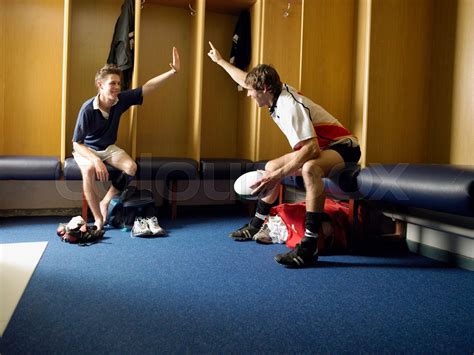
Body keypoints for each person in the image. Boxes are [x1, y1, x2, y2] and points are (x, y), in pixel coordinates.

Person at [207, 42, 360, 268]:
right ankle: (256, 224)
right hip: (321, 146)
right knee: (270, 166)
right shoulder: (272, 94)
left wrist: (278, 176)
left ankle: (309, 245)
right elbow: (245, 79)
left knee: (310, 169)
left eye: (252, 91)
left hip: (343, 146)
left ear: (265, 89)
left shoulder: (289, 106)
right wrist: (220, 61)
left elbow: (311, 151)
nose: (248, 94)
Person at [72, 47, 180, 230]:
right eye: (112, 83)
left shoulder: (120, 100)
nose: (116, 87)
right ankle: (98, 219)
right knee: (89, 169)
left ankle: (105, 202)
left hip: (108, 147)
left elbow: (148, 87)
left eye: (118, 83)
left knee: (131, 167)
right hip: (87, 149)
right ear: (100, 84)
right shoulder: (87, 109)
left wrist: (172, 71)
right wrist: (95, 159)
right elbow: (76, 143)